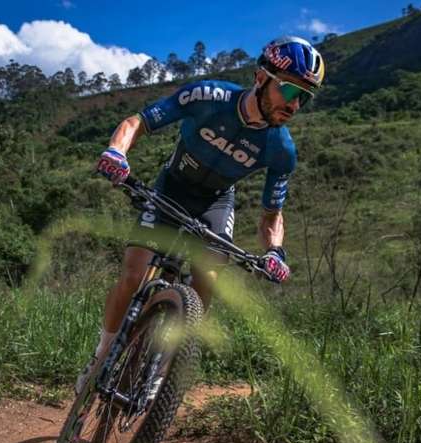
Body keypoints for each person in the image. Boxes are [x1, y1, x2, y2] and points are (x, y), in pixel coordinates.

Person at [76, 36, 325, 393]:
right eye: (288, 91)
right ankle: (101, 356)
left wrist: (275, 252)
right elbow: (138, 122)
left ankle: (160, 373)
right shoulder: (209, 97)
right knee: (133, 274)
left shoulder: (282, 150)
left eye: (304, 97)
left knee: (207, 275)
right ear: (261, 78)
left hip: (215, 201)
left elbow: (272, 214)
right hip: (171, 186)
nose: (294, 104)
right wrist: (117, 152)